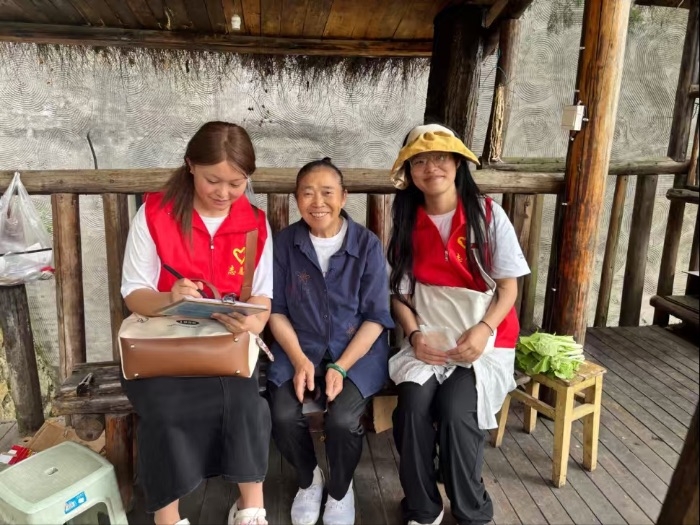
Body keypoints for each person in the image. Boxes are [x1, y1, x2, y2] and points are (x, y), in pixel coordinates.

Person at [120, 121, 273, 525]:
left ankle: (251, 508)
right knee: (165, 413)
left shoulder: (255, 223)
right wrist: (169, 298)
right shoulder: (156, 213)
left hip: (225, 345)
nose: (224, 193)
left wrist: (252, 324)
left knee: (245, 403)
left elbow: (262, 298)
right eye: (212, 181)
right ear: (190, 165)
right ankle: (168, 517)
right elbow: (134, 293)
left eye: (236, 183)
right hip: (162, 347)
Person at [386, 123, 531, 525]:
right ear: (409, 171)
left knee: (455, 410)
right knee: (412, 407)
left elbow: (508, 289)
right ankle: (423, 507)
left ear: (457, 163)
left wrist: (484, 330)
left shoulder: (488, 214)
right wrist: (414, 335)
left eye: (440, 158)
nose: (430, 167)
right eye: (419, 161)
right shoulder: (407, 220)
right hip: (430, 338)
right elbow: (400, 296)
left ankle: (472, 510)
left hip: (484, 339)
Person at [267, 157, 394, 525]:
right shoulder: (285, 244)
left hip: (356, 352)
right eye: (307, 193)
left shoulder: (366, 244)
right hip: (298, 347)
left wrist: (341, 366)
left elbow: (376, 317)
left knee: (342, 420)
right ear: (297, 199)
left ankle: (340, 489)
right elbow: (275, 311)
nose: (317, 202)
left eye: (327, 192)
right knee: (282, 414)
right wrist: (299, 359)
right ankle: (309, 479)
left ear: (344, 196)